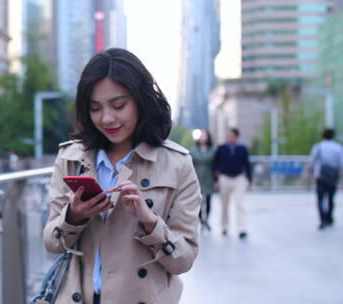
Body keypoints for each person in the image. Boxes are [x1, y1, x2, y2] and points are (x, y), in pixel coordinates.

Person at [43, 48, 201, 304]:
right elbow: (52, 242)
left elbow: (183, 259)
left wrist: (150, 222)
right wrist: (73, 216)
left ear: (141, 100)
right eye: (95, 108)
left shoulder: (177, 164)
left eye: (119, 105)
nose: (107, 118)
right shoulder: (71, 159)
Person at [213, 128, 252, 239]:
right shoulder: (221, 148)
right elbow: (215, 165)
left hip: (238, 178)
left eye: (231, 135)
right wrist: (215, 180)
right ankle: (224, 226)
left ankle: (242, 229)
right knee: (224, 204)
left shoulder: (242, 149)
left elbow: (247, 165)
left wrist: (249, 180)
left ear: (236, 137)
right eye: (228, 135)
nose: (229, 137)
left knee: (240, 204)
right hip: (224, 178)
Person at [308, 128, 343, 229]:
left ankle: (322, 219)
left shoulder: (318, 147)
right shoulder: (338, 148)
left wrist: (310, 172)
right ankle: (329, 218)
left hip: (321, 176)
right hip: (333, 176)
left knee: (320, 199)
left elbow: (312, 161)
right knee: (331, 198)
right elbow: (341, 164)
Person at [190, 129, 216, 231]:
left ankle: (207, 220)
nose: (202, 138)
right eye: (201, 136)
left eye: (204, 135)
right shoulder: (193, 149)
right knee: (198, 202)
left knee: (209, 201)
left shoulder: (212, 150)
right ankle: (201, 221)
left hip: (209, 178)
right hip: (197, 177)